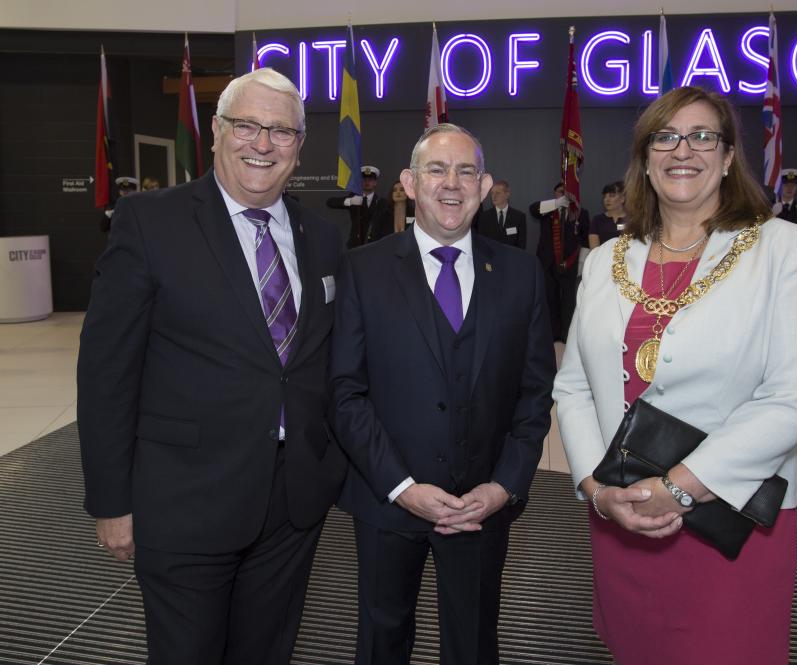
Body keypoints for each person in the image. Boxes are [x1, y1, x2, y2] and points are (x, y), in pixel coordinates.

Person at [552, 86, 797, 664]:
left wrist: (680, 487)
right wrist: (598, 492)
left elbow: (795, 395)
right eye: (666, 136)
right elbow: (574, 387)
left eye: (703, 136)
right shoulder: (605, 259)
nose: (684, 150)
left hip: (727, 517)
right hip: (623, 511)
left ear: (729, 157)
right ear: (646, 157)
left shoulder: (785, 250)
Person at [77, 67, 347, 664]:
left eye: (280, 131)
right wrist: (111, 503)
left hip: (291, 506)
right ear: (219, 131)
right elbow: (105, 374)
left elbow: (328, 364)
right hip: (182, 502)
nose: (262, 143)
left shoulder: (324, 237)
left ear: (299, 145)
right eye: (247, 125)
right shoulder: (149, 222)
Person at [330, 123, 555, 665]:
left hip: (482, 505)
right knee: (382, 641)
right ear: (408, 182)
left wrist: (503, 487)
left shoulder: (522, 275)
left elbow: (534, 394)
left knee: (474, 643)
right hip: (388, 502)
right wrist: (401, 487)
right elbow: (345, 393)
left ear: (484, 185)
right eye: (436, 169)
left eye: (465, 171)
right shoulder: (362, 270)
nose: (451, 184)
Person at [530, 182, 590, 342]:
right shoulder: (548, 209)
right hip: (548, 264)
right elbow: (533, 209)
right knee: (550, 299)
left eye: (566, 193)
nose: (563, 195)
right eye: (559, 192)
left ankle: (567, 335)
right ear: (555, 193)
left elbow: (585, 240)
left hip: (569, 265)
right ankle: (553, 334)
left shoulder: (580, 213)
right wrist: (556, 203)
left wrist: (582, 264)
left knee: (569, 301)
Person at [327, 165, 386, 248]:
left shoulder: (381, 202)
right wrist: (350, 201)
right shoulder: (354, 197)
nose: (367, 182)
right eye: (364, 179)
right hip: (355, 243)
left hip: (374, 243)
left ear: (375, 182)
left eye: (370, 180)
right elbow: (330, 202)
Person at [474, 179, 527, 249]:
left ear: (507, 195)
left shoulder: (519, 217)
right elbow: (481, 242)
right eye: (492, 193)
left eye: (498, 193)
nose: (494, 196)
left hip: (512, 257)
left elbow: (521, 244)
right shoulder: (484, 217)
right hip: (491, 258)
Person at [588, 180, 627, 248]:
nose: (607, 199)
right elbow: (594, 249)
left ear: (622, 199)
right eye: (605, 196)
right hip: (602, 257)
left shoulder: (632, 220)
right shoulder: (597, 220)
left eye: (612, 196)